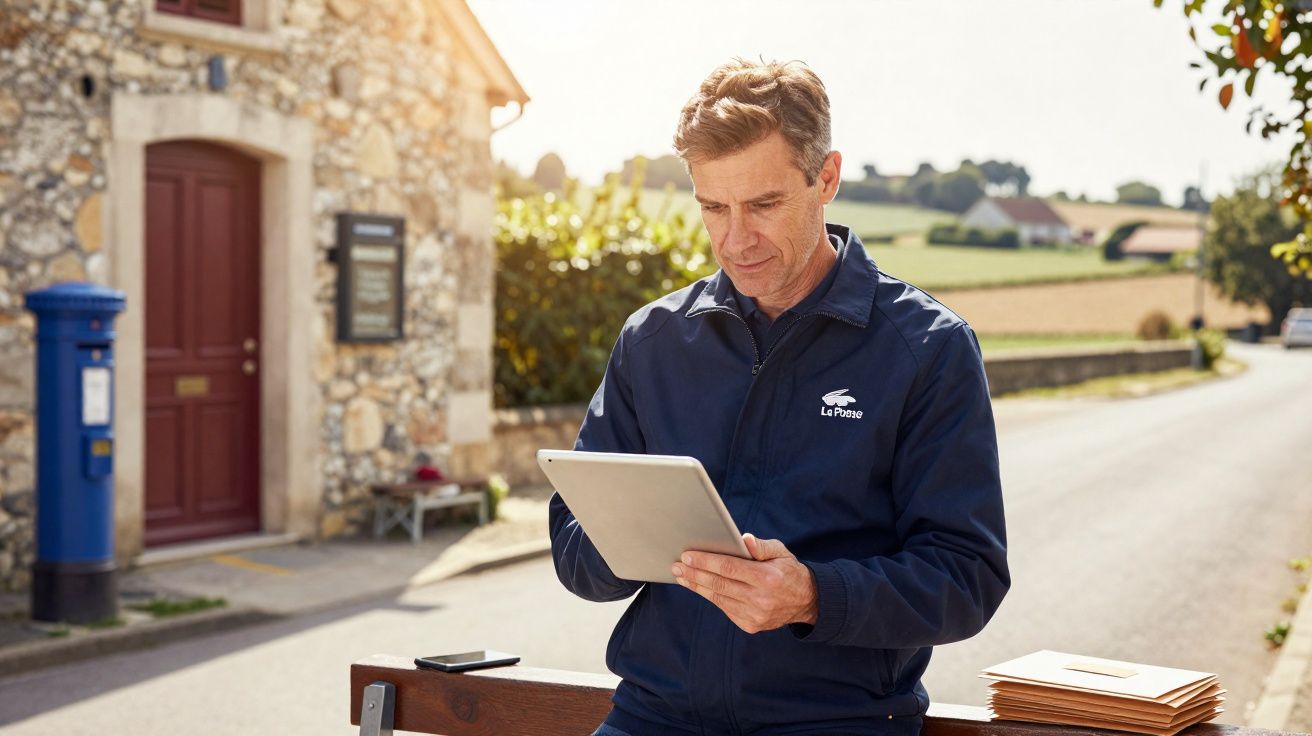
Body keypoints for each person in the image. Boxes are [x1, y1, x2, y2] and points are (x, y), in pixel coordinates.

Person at [549, 57, 1010, 736]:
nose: (735, 239)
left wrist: (813, 598)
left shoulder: (927, 349)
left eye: (763, 205)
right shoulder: (653, 341)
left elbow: (968, 577)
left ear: (826, 179)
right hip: (653, 716)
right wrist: (624, 544)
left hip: (836, 723)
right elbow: (572, 543)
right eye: (713, 208)